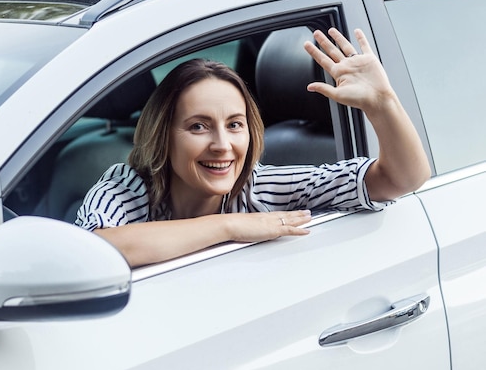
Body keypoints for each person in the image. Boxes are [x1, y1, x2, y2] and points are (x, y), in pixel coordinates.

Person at [75, 28, 431, 268]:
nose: (222, 145)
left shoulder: (261, 186)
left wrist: (383, 104)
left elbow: (402, 178)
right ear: (163, 134)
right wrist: (230, 227)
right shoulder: (128, 184)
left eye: (234, 125)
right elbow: (96, 252)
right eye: (198, 126)